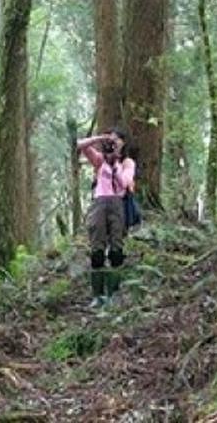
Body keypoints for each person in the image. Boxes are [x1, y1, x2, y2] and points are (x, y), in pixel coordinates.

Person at [76, 127, 135, 307]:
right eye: (112, 140)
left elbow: (124, 183)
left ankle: (113, 294)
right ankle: (98, 296)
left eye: (117, 140)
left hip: (117, 203)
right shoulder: (99, 160)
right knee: (97, 249)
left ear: (123, 144)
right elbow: (79, 145)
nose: (113, 143)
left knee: (116, 249)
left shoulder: (127, 163)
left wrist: (114, 163)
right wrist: (101, 138)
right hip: (99, 202)